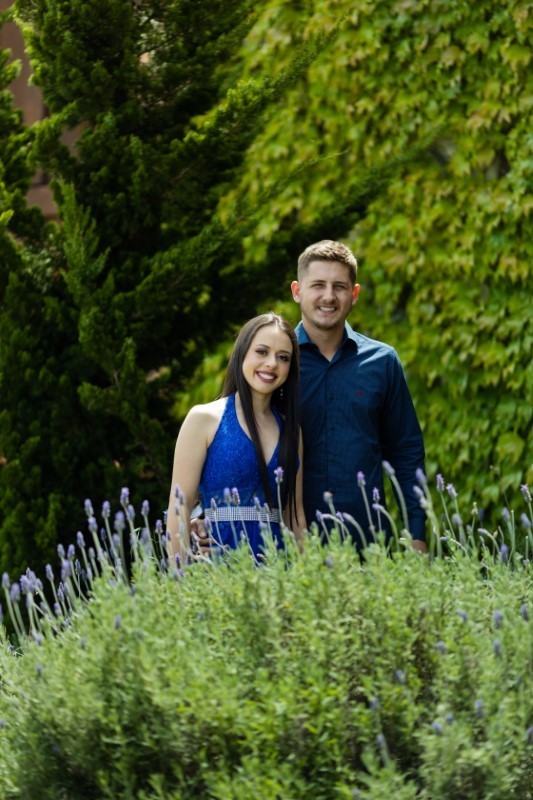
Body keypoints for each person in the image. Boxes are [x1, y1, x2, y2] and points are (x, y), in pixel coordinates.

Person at [195, 240, 427, 554]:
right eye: (318, 285)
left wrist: (416, 534)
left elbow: (406, 452)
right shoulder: (275, 365)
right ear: (297, 291)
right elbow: (230, 436)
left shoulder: (383, 363)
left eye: (339, 287)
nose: (328, 296)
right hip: (285, 547)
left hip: (368, 542)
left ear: (354, 294)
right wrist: (200, 514)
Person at [166, 312, 306, 561]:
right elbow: (180, 507)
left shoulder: (292, 431)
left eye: (283, 357)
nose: (272, 363)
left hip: (277, 570)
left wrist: (308, 577)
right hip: (217, 569)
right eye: (262, 352)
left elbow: (294, 515)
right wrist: (180, 576)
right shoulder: (204, 419)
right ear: (242, 354)